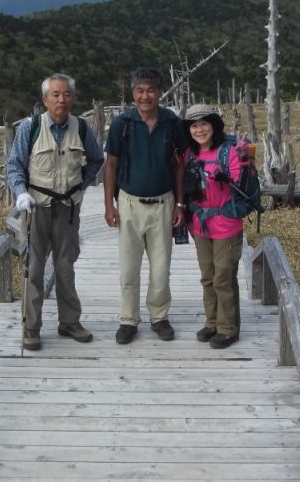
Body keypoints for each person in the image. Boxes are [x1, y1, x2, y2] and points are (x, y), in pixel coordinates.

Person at [7, 73, 105, 351]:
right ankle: (32, 327)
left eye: (67, 94)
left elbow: (96, 159)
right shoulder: (31, 127)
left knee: (65, 265)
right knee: (34, 267)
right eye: (56, 94)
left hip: (69, 207)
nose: (62, 100)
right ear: (45, 99)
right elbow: (14, 165)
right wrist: (20, 192)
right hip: (36, 206)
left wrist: (82, 184)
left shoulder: (82, 127)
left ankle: (70, 322)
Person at [103, 67, 186, 344]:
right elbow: (111, 163)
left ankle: (159, 317)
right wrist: (109, 205)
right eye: (140, 90)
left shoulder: (171, 121)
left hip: (164, 203)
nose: (145, 96)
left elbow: (179, 166)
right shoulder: (122, 123)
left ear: (160, 93)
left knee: (161, 268)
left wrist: (180, 204)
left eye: (151, 90)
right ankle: (128, 319)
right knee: (129, 267)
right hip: (128, 203)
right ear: (132, 93)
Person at [181, 104, 243, 349]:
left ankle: (228, 328)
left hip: (226, 224)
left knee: (223, 278)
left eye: (204, 124)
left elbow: (240, 182)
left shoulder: (229, 152)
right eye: (194, 125)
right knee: (208, 277)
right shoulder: (188, 154)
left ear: (214, 125)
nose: (199, 129)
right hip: (199, 224)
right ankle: (212, 322)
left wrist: (244, 161)